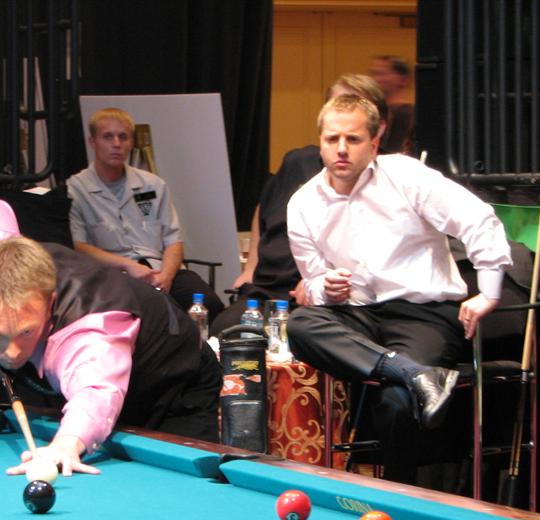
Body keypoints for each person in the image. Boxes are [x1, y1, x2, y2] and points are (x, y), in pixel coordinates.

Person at [286, 94, 512, 484]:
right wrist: (325, 287)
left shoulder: (406, 176)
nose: (341, 149)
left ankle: (396, 494)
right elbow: (313, 280)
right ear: (320, 141)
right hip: (357, 315)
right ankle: (414, 373)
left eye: (353, 139)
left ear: (374, 143)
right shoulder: (303, 202)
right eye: (332, 139)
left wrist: (489, 292)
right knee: (301, 324)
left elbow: (478, 220)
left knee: (397, 400)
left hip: (423, 314)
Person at [0, 199, 222, 477]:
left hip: (175, 383)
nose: (11, 353)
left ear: (50, 302)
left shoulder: (90, 330)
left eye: (25, 332)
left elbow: (96, 390)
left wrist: (67, 443)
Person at [210, 74, 388, 336]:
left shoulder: (384, 178)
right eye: (335, 105)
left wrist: (320, 284)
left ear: (377, 129)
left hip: (323, 297)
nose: (341, 114)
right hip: (268, 287)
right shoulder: (298, 161)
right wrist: (250, 269)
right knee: (225, 330)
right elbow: (264, 209)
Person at [66, 107, 225, 322]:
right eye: (108, 137)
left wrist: (166, 277)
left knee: (209, 305)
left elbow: (173, 240)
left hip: (160, 269)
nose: (116, 144)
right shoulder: (75, 189)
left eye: (123, 137)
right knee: (146, 313)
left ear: (131, 143)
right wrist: (128, 265)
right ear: (92, 142)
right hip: (113, 274)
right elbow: (80, 246)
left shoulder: (153, 184)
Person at [369, 55, 414, 155]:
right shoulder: (373, 111)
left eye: (382, 74)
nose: (376, 79)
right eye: (374, 73)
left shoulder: (405, 113)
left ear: (402, 79)